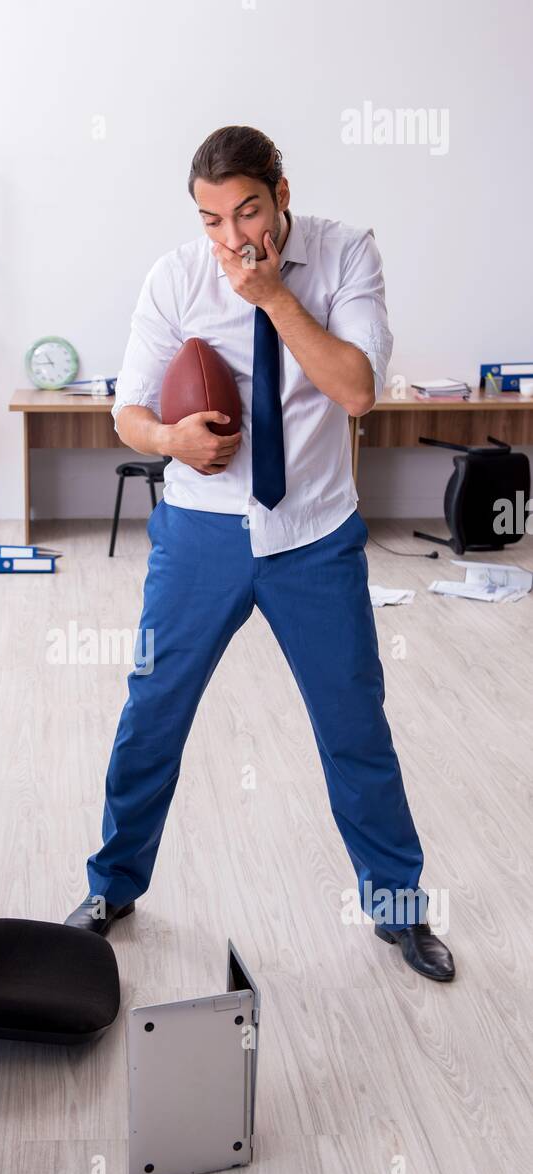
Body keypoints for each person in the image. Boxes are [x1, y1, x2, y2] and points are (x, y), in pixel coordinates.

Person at [64, 124, 454, 983]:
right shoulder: (173, 277)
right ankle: (111, 886)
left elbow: (355, 390)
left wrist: (272, 296)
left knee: (354, 725)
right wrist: (170, 438)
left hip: (312, 533)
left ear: (282, 189)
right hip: (201, 531)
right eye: (211, 220)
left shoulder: (347, 254)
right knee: (152, 712)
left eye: (246, 211)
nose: (232, 239)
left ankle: (396, 907)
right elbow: (125, 413)